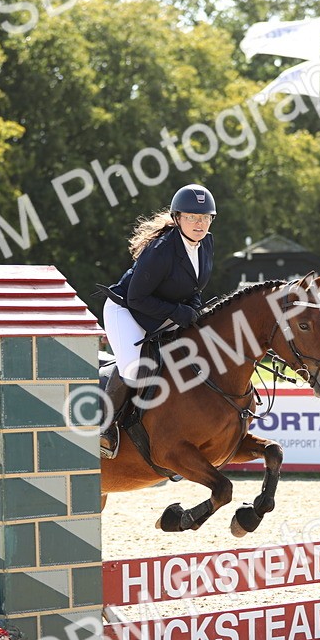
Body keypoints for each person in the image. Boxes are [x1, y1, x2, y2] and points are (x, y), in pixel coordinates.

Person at [99, 184, 216, 457]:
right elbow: (137, 298)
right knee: (134, 370)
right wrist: (179, 313)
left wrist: (195, 310)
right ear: (177, 218)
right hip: (125, 310)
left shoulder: (206, 243)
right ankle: (106, 429)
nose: (200, 223)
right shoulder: (161, 249)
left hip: (161, 310)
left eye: (205, 217)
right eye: (192, 217)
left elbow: (194, 287)